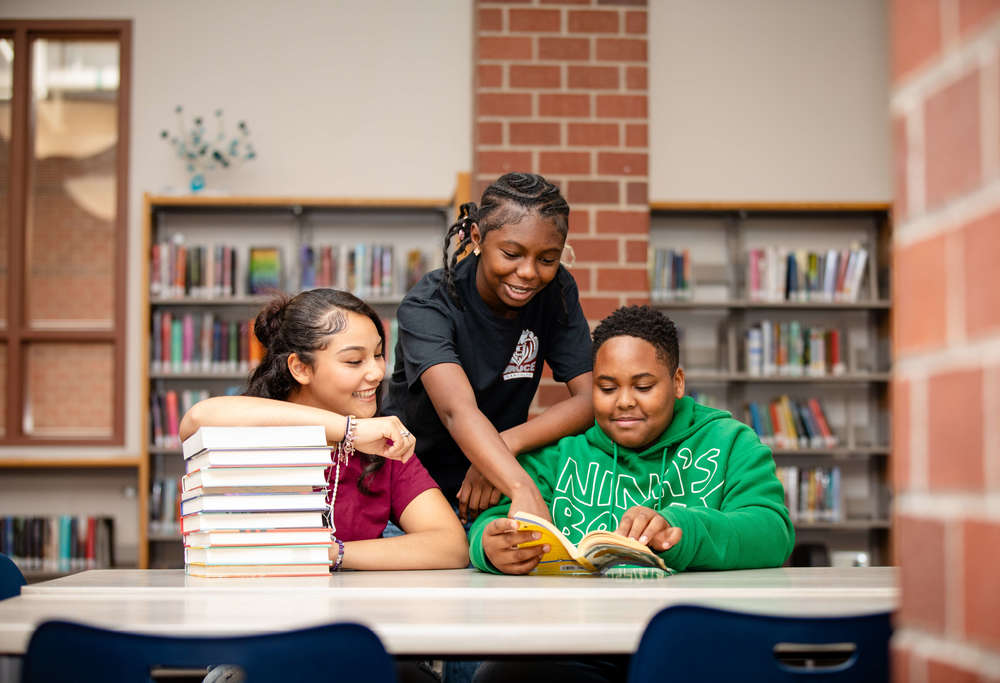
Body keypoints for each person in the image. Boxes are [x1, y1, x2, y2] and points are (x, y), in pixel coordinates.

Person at [468, 305, 795, 683]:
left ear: (677, 383)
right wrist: (488, 546)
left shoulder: (730, 442)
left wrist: (681, 528)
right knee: (499, 677)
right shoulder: (560, 452)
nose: (624, 401)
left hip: (695, 642)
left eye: (643, 387)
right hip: (578, 644)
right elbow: (495, 521)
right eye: (607, 388)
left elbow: (773, 531)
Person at [179, 289, 469, 572]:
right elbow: (198, 417)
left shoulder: (383, 447)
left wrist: (330, 552)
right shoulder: (253, 426)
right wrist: (349, 430)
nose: (377, 373)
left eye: (378, 355)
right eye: (354, 361)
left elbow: (450, 545)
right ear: (301, 368)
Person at [383, 172, 594, 525]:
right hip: (409, 493)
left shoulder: (556, 291)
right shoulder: (429, 304)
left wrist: (503, 448)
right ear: (478, 237)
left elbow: (590, 399)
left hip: (490, 492)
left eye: (547, 259)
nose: (528, 272)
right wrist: (519, 484)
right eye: (512, 253)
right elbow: (456, 411)